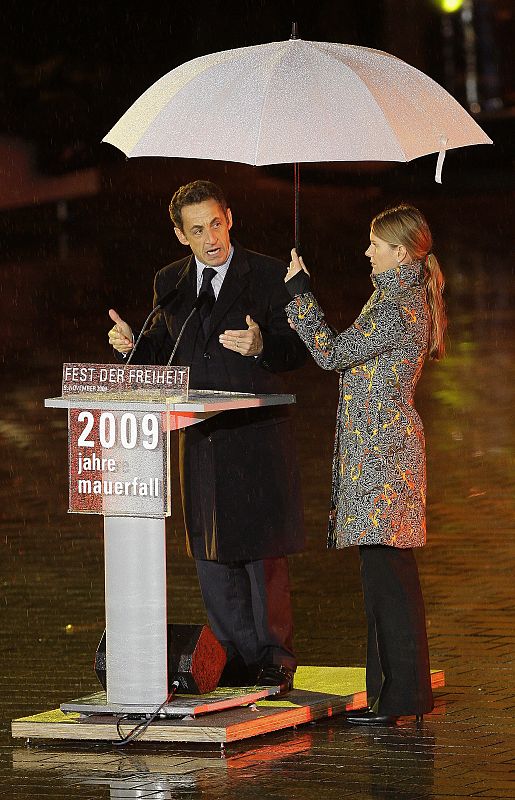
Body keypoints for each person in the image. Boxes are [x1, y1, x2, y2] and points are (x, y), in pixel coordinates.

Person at [108, 180, 306, 693]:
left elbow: (299, 350)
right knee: (211, 551)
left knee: (261, 551)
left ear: (230, 218)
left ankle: (274, 659)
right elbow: (160, 360)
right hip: (199, 437)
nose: (211, 237)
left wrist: (264, 343)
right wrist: (132, 347)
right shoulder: (171, 282)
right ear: (180, 235)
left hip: (255, 432)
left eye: (216, 223)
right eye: (198, 229)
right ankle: (234, 656)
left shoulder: (265, 273)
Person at [284, 204, 446, 724]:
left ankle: (400, 697)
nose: (367, 251)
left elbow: (331, 354)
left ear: (399, 252)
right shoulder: (400, 296)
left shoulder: (394, 303)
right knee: (385, 580)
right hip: (382, 454)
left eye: (375, 244)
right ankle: (393, 695)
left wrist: (301, 295)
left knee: (388, 583)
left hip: (382, 459)